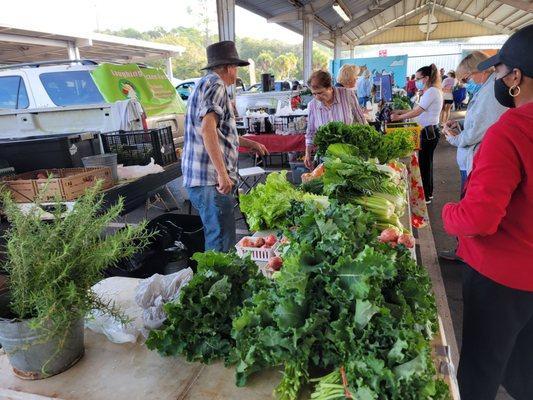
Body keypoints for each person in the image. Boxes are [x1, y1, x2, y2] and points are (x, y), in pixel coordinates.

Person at [442, 24, 533, 400]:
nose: (494, 78)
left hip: (501, 277)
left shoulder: (511, 130)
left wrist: (449, 213)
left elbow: (479, 218)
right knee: (525, 369)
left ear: (515, 76)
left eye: (498, 71)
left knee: (480, 369)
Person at [182, 40, 268, 252]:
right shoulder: (217, 85)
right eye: (236, 68)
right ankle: (216, 283)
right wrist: (222, 174)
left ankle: (214, 281)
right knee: (221, 243)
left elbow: (217, 132)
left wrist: (250, 143)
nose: (236, 73)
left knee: (217, 237)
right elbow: (207, 129)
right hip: (211, 179)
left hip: (201, 178)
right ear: (228, 67)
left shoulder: (203, 84)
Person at [438, 51, 508, 262]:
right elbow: (478, 124)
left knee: (470, 210)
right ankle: (466, 250)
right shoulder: (487, 89)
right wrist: (458, 126)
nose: (466, 83)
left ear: (480, 71)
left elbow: (476, 132)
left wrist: (452, 137)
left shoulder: (491, 94)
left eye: (467, 79)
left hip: (477, 160)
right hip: (473, 158)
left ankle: (468, 253)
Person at [390, 64, 443, 203]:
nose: (416, 81)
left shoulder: (432, 91)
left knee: (425, 164)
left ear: (426, 78)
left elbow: (417, 112)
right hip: (427, 131)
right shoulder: (430, 91)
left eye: (418, 78)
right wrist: (401, 112)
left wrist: (398, 117)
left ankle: (426, 195)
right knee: (425, 163)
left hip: (428, 132)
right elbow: (419, 109)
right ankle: (427, 193)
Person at [304, 70, 367, 169]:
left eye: (320, 93)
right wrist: (307, 154)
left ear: (330, 87)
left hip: (350, 153)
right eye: (314, 94)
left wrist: (366, 146)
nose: (317, 97)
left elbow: (361, 121)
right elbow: (311, 132)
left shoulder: (347, 95)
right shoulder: (312, 105)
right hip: (327, 156)